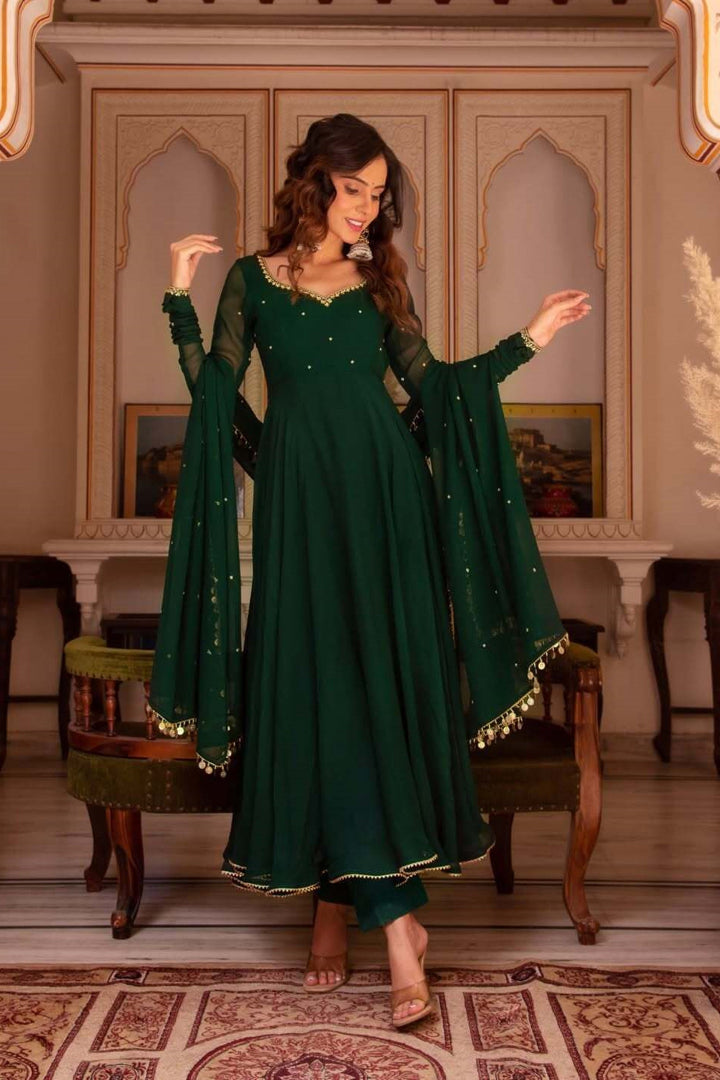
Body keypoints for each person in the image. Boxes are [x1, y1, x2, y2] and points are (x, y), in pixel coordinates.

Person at [149, 112, 589, 1028]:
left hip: (389, 509)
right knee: (317, 694)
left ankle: (378, 930)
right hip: (300, 512)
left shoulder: (380, 283)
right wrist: (177, 299)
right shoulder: (253, 282)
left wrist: (530, 339)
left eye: (379, 194)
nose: (366, 208)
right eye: (354, 188)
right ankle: (369, 916)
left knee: (365, 695)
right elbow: (216, 396)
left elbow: (437, 389)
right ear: (315, 180)